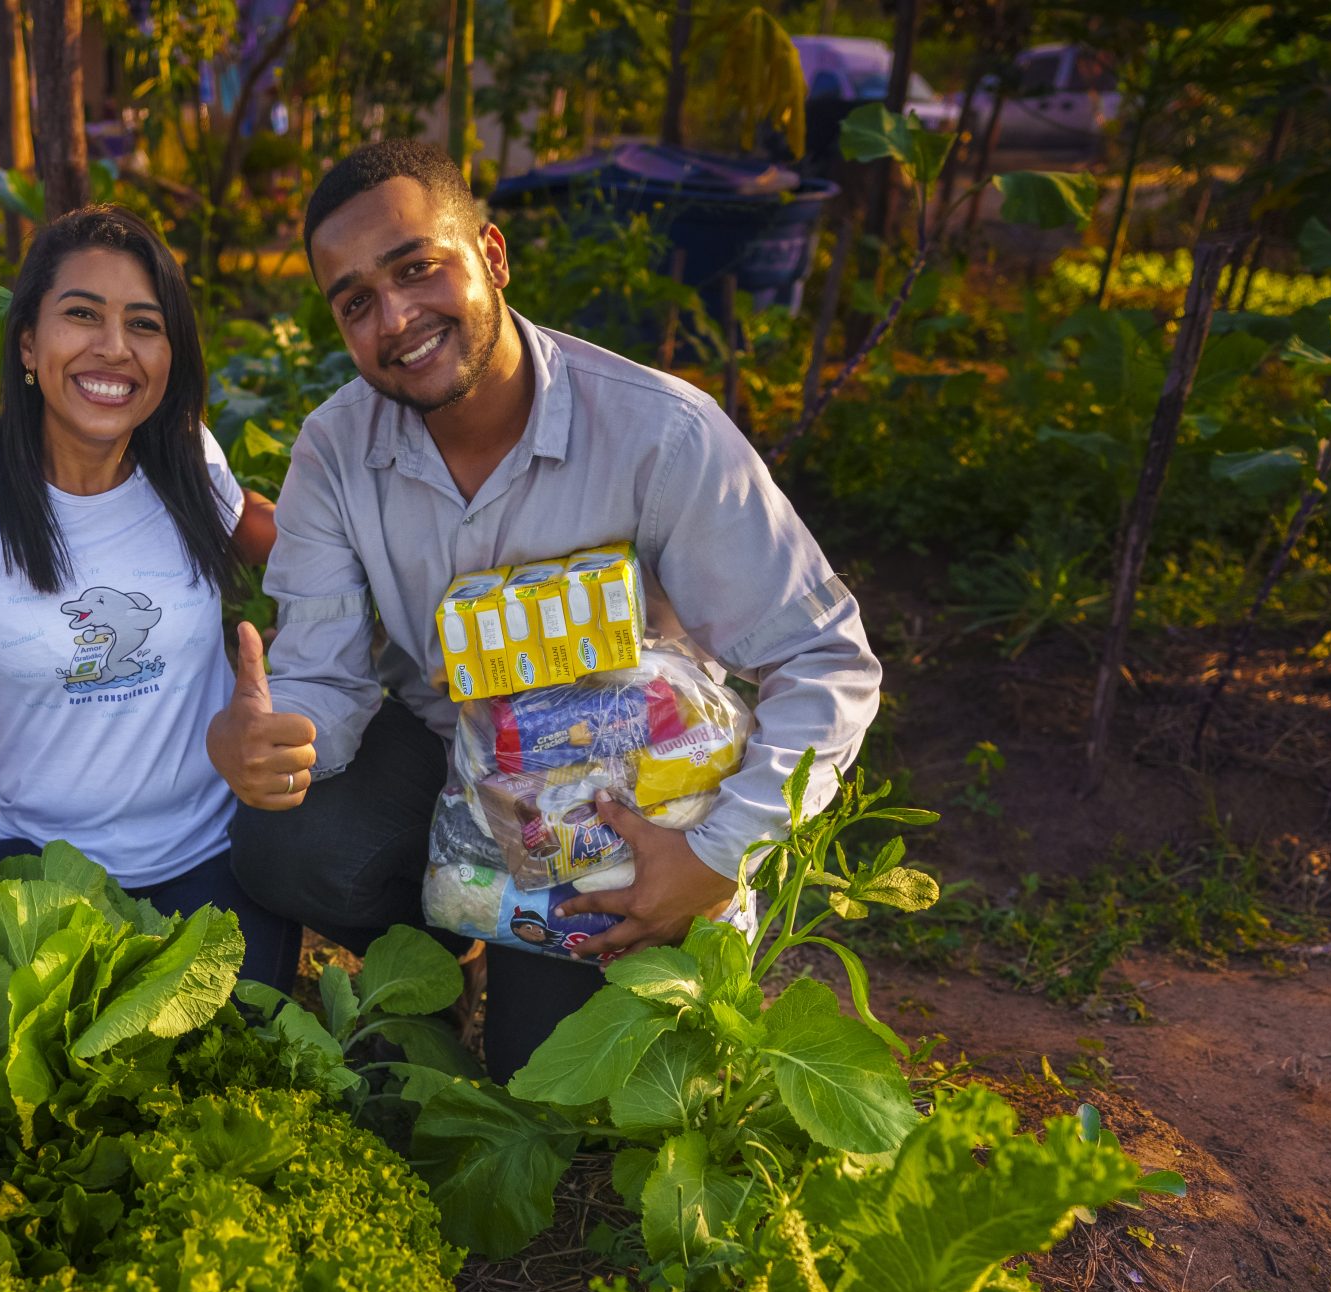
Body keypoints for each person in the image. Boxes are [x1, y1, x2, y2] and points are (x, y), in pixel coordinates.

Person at [205, 140, 883, 1079]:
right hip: (450, 775)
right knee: (288, 841)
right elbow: (325, 672)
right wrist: (276, 736)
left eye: (417, 268)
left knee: (543, 1078)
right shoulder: (335, 450)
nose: (396, 318)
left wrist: (719, 853)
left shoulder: (661, 437)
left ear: (490, 255)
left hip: (625, 807)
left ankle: (550, 970)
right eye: (356, 301)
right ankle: (446, 958)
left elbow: (825, 659)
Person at [0, 203, 300, 991]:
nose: (114, 348)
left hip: (215, 856)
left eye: (145, 324)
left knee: (231, 1075)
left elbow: (288, 546)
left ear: (170, 352)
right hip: (43, 869)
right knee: (52, 1095)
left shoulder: (185, 455)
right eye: (82, 314)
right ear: (27, 341)